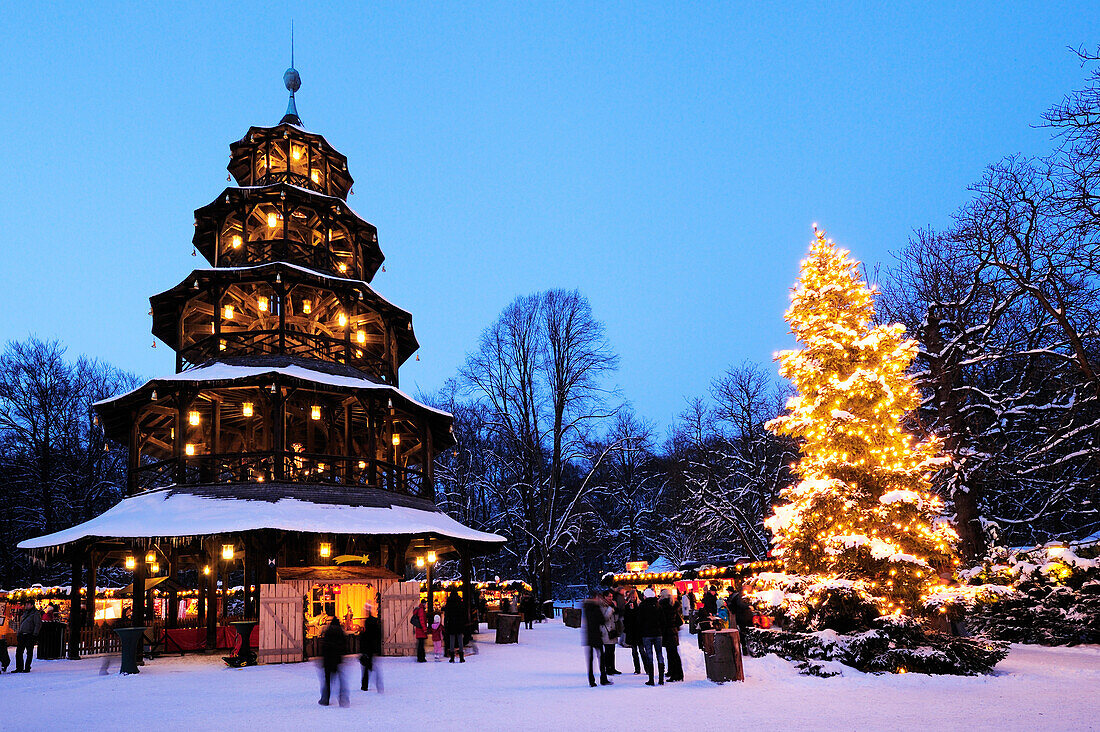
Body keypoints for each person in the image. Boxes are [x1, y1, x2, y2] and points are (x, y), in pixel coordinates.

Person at [581, 590, 611, 687]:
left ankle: (591, 680)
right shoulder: (595, 607)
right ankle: (603, 678)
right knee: (601, 657)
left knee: (590, 659)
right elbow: (602, 620)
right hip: (597, 635)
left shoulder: (586, 607)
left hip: (589, 635)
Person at [637, 587, 665, 685]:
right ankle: (661, 679)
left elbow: (639, 621)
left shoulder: (642, 606)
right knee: (659, 654)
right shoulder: (658, 605)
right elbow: (662, 620)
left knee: (649, 655)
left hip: (646, 634)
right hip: (658, 633)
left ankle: (651, 679)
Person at [318, 617, 349, 707]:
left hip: (328, 659)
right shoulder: (341, 633)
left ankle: (325, 699)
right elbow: (344, 647)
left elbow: (324, 646)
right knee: (341, 680)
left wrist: (322, 658)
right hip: (337, 660)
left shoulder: (327, 632)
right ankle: (343, 699)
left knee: (327, 681)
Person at [660, 589, 684, 682]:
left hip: (667, 632)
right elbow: (679, 621)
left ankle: (676, 675)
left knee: (672, 654)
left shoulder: (663, 606)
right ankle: (675, 672)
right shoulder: (674, 605)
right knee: (673, 654)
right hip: (673, 632)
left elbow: (663, 621)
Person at [14, 600, 42, 673]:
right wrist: (19, 633)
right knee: (19, 652)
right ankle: (19, 667)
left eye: (28, 604)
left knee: (29, 652)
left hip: (29, 635)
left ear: (32, 605)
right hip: (22, 635)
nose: (26, 605)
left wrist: (34, 634)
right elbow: (21, 624)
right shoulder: (25, 613)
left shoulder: (35, 614)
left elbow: (38, 624)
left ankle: (27, 667)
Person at [727, 584, 756, 657]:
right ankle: (745, 649)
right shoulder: (740, 596)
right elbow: (740, 604)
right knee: (743, 633)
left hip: (746, 617)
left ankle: (748, 648)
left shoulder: (746, 595)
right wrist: (748, 607)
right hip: (742, 617)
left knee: (747, 632)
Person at [360, 602, 382, 692]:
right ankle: (376, 683)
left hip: (368, 647)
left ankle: (365, 685)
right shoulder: (374, 625)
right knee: (370, 666)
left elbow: (365, 638)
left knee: (367, 667)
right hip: (372, 647)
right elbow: (378, 636)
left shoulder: (367, 627)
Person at [622, 588, 642, 674]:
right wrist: (630, 610)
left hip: (639, 631)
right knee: (634, 652)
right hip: (631, 631)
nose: (633, 599)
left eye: (634, 597)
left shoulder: (640, 605)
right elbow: (626, 619)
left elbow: (640, 618)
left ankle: (647, 668)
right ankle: (637, 669)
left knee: (642, 651)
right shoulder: (627, 606)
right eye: (632, 597)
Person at [443, 588, 466, 663]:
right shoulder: (460, 602)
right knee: (460, 640)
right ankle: (461, 657)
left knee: (451, 640)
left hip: (451, 623)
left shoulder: (448, 603)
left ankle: (452, 657)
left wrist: (446, 624)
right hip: (459, 623)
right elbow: (463, 614)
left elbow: (446, 615)